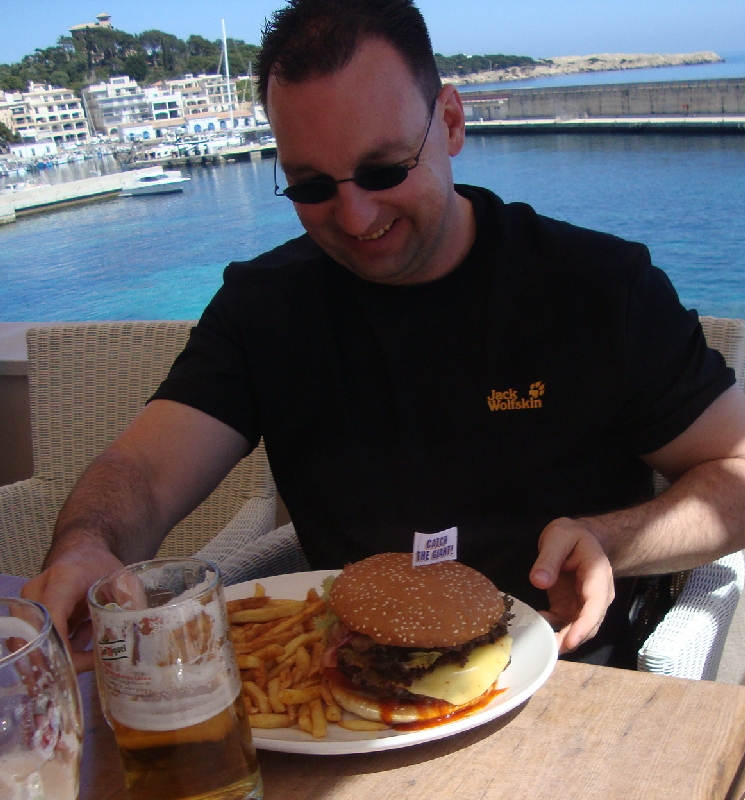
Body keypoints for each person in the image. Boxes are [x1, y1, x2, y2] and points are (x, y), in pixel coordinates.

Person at [23, 0, 745, 673]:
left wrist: (613, 539)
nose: (355, 217)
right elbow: (143, 473)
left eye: (384, 169)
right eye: (311, 185)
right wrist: (88, 546)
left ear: (451, 122)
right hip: (347, 697)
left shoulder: (598, 286)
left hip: (564, 677)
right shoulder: (264, 307)